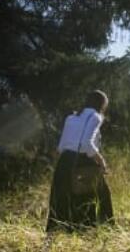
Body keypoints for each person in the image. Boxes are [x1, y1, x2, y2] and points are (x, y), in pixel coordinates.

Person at [47, 90, 114, 230]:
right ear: (101, 104)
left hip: (65, 161)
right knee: (97, 197)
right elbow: (86, 144)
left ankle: (58, 233)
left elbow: (61, 146)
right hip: (83, 161)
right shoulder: (96, 117)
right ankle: (101, 230)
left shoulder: (71, 118)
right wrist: (101, 161)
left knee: (63, 200)